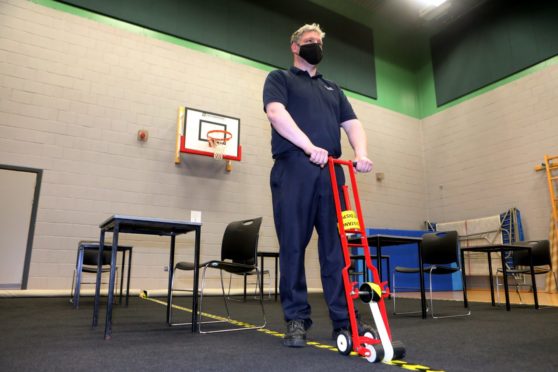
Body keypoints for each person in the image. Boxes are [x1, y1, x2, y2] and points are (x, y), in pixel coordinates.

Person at [262, 23, 374, 348]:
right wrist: (309, 146)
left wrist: (362, 153)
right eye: (310, 41)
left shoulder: (333, 89)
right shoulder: (279, 79)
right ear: (295, 47)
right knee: (294, 246)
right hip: (294, 168)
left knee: (336, 250)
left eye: (320, 42)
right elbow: (275, 113)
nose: (316, 46)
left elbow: (352, 124)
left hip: (333, 173)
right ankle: (296, 319)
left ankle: (346, 320)